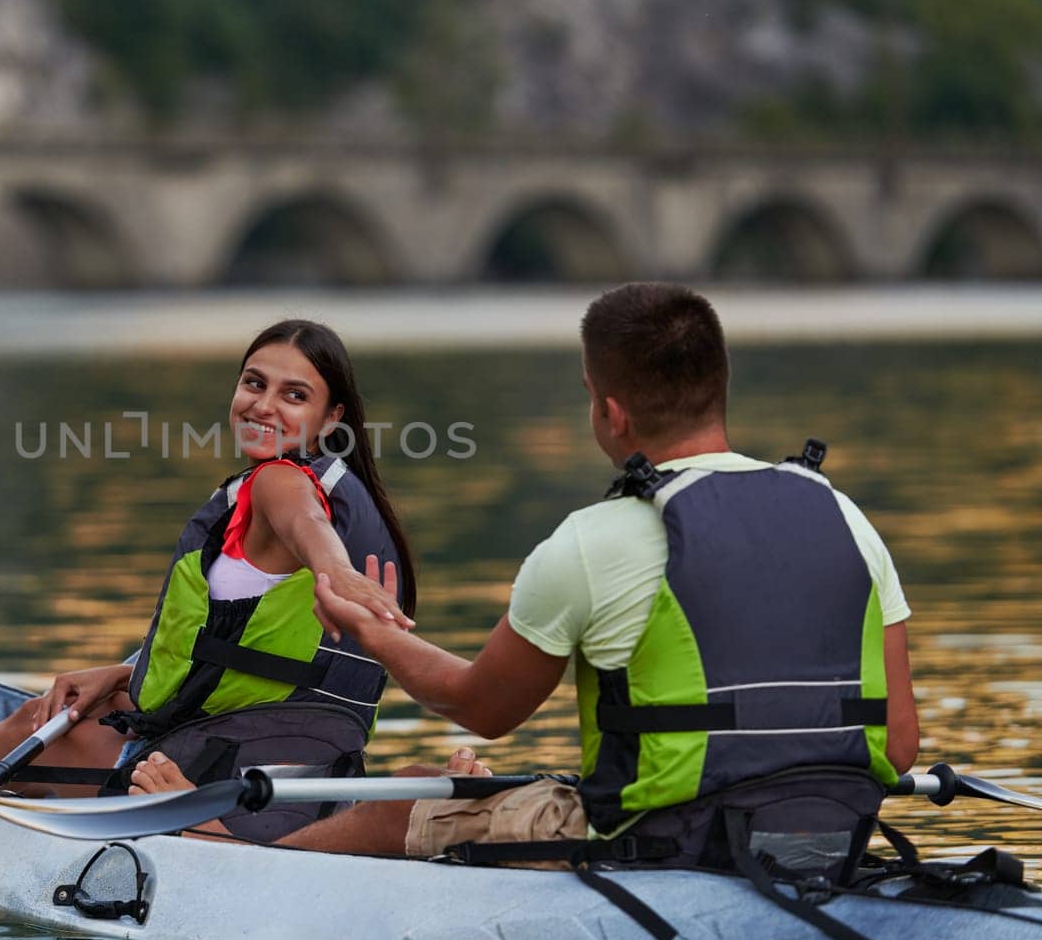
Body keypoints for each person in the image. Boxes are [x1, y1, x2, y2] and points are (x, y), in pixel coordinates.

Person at [136, 283, 920, 871]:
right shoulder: (842, 514)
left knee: (408, 808)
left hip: (662, 842)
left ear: (608, 410)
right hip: (829, 832)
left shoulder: (594, 540)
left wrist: (377, 637)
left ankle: (236, 853)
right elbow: (904, 742)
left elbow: (480, 706)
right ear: (719, 386)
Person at [0, 319, 417, 818]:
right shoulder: (341, 493)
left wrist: (333, 569)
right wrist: (122, 672)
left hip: (216, 773)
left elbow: (305, 526)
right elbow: (226, 641)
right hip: (300, 775)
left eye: (293, 395)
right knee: (95, 702)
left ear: (331, 415)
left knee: (47, 717)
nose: (262, 405)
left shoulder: (280, 482)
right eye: (253, 383)